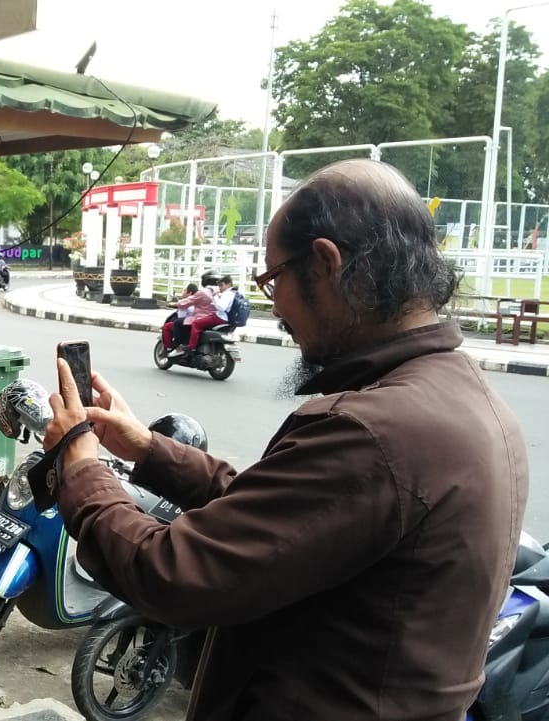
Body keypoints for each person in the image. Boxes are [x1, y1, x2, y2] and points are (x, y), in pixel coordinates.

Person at [42, 158, 528, 721]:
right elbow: (276, 516)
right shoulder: (470, 400)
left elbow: (173, 574)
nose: (274, 307)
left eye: (274, 280)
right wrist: (147, 449)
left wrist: (80, 465)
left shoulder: (373, 431)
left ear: (325, 263)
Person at [167, 275, 216, 357]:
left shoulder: (203, 292)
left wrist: (175, 304)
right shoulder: (218, 291)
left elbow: (188, 301)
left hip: (201, 317)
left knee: (177, 323)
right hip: (214, 317)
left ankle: (178, 347)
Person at [185, 275, 236, 350]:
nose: (220, 288)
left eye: (221, 285)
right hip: (228, 318)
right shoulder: (234, 293)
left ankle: (191, 347)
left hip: (221, 318)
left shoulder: (227, 294)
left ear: (228, 284)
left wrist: (215, 297)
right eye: (219, 285)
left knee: (196, 323)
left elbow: (221, 307)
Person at [162, 282, 200, 351]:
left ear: (190, 293)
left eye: (185, 290)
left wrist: (173, 305)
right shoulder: (198, 300)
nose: (183, 292)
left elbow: (180, 317)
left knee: (167, 327)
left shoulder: (186, 301)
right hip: (197, 322)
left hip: (186, 324)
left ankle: (170, 348)